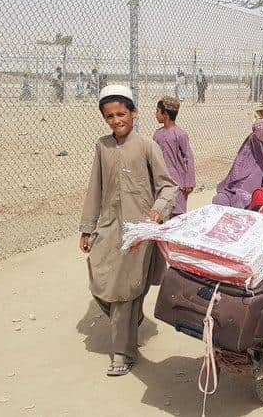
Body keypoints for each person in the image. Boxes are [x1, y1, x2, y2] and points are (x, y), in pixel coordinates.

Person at [79, 85, 177, 377]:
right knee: (99, 280)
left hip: (139, 229)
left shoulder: (147, 145)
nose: (116, 120)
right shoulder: (102, 146)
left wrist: (157, 212)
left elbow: (167, 185)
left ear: (133, 113)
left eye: (121, 113)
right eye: (109, 116)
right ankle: (130, 320)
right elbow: (94, 188)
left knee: (123, 290)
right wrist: (87, 228)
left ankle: (122, 351)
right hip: (109, 227)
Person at [153, 96, 196, 216]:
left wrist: (189, 182)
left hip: (178, 183)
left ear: (165, 114)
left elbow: (189, 157)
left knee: (178, 215)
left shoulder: (180, 134)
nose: (155, 114)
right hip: (161, 181)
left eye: (157, 111)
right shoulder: (157, 134)